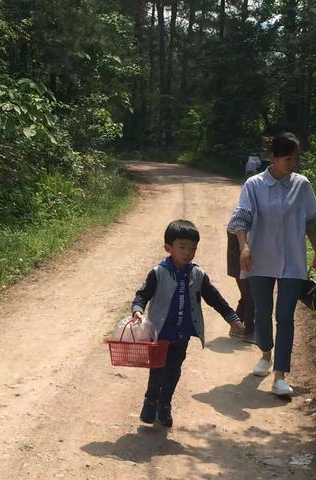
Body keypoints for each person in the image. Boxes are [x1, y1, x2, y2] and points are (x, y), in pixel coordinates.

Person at [131, 220, 245, 427]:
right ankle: (150, 401)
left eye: (192, 248)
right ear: (169, 248)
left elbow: (214, 297)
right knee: (157, 370)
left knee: (174, 369)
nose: (188, 252)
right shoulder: (158, 272)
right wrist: (137, 310)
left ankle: (165, 405)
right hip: (160, 333)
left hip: (182, 334)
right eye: (182, 247)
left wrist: (231, 316)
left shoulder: (197, 274)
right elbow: (142, 294)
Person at [228, 132, 316, 397]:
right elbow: (241, 217)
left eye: (296, 159)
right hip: (260, 259)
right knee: (262, 312)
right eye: (288, 159)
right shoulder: (254, 185)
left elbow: (311, 221)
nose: (293, 164)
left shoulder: (302, 185)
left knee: (285, 316)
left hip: (293, 260)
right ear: (273, 157)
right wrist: (244, 246)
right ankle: (265, 353)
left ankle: (280, 375)